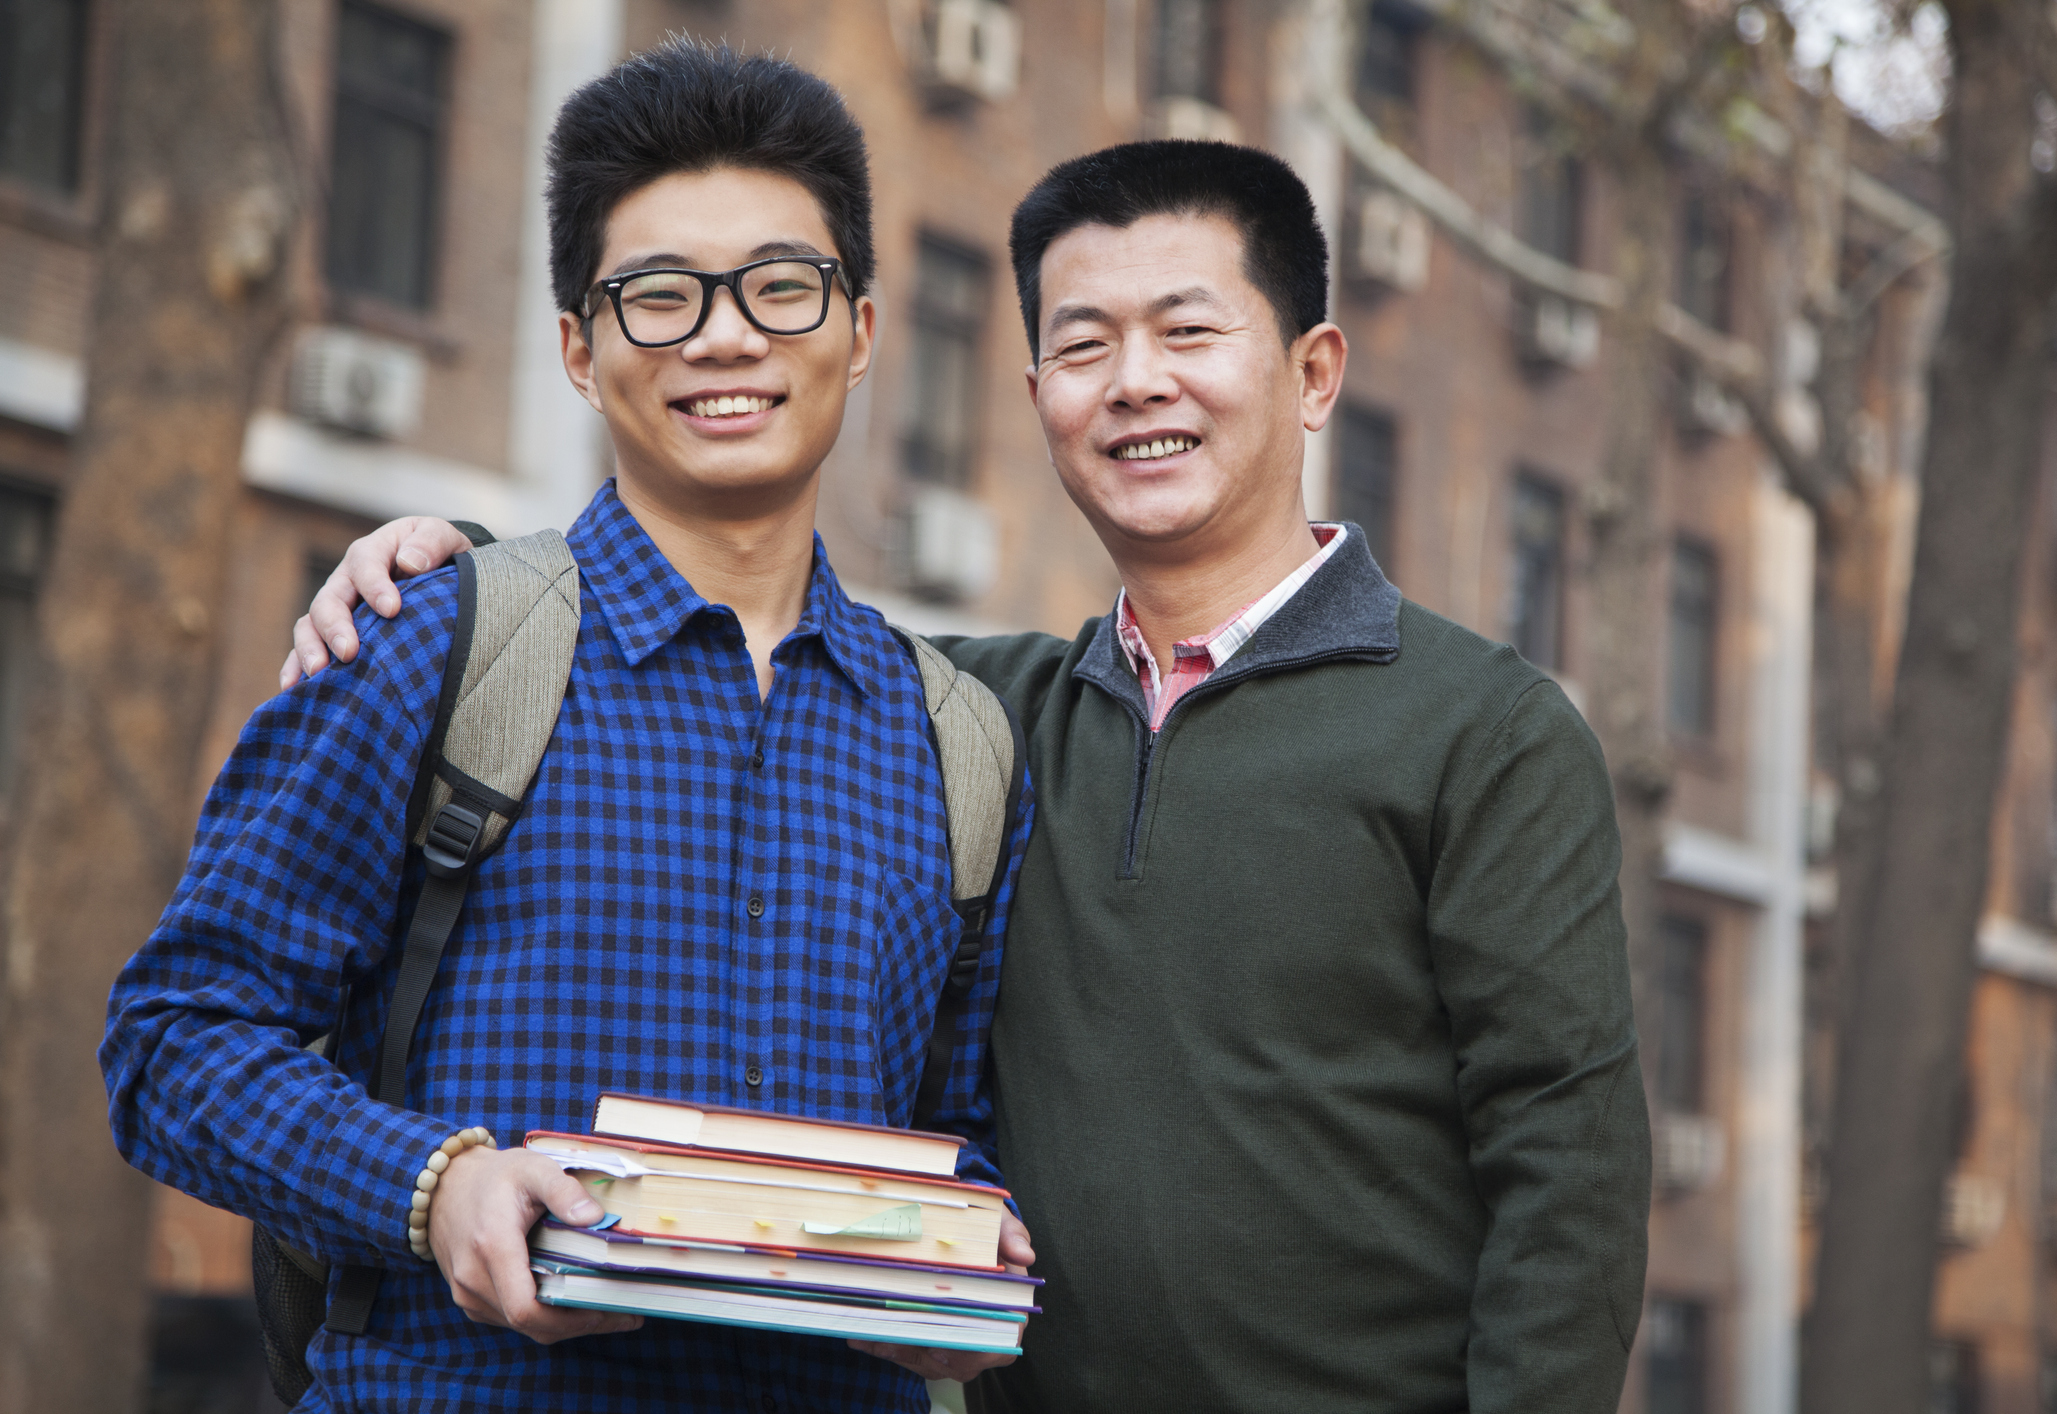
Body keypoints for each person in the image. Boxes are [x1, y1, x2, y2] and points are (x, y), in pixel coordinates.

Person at [292, 141, 1651, 1412]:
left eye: (1187, 331)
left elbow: (1564, 1174)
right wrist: (454, 562)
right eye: (1082, 344)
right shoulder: (981, 716)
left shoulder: (1484, 730)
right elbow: (721, 631)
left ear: (1310, 371)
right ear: (1038, 399)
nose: (1134, 381)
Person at [104, 42, 1033, 1413]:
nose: (725, 337)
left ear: (862, 328)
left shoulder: (955, 741)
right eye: (658, 296)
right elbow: (173, 1037)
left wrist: (971, 1261)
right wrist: (435, 1187)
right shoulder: (434, 645)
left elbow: (964, 1127)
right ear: (577, 349)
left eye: (782, 287)